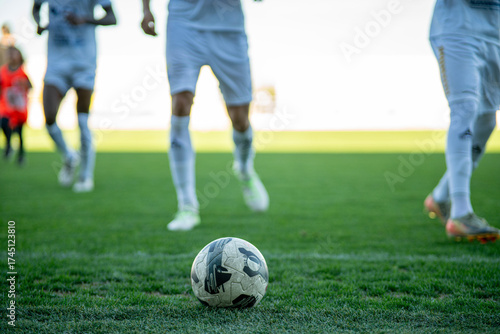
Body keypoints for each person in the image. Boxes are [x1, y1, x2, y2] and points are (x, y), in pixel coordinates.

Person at [141, 0, 269, 231]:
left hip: (228, 27)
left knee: (240, 117)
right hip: (184, 23)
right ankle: (187, 205)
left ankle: (244, 167)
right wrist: (146, 8)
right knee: (180, 102)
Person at [424, 0, 500, 243]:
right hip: (458, 28)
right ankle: (460, 213)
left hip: (494, 31)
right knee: (464, 108)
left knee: (486, 121)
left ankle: (440, 196)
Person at [32, 0, 116, 192]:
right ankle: (69, 156)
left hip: (84, 63)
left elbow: (112, 18)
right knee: (50, 117)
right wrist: (39, 22)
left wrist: (84, 19)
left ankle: (85, 176)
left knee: (83, 121)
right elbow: (36, 8)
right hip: (56, 63)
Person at [0, 46, 32, 165]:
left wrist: (22, 86)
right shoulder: (3, 71)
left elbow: (30, 87)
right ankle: (8, 144)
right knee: (3, 122)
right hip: (6, 105)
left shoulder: (22, 72)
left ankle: (21, 155)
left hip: (19, 107)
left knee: (19, 132)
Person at [0, 24, 16, 160]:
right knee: (4, 120)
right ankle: (9, 145)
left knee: (16, 122)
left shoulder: (13, 45)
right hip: (3, 83)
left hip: (13, 86)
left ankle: (18, 151)